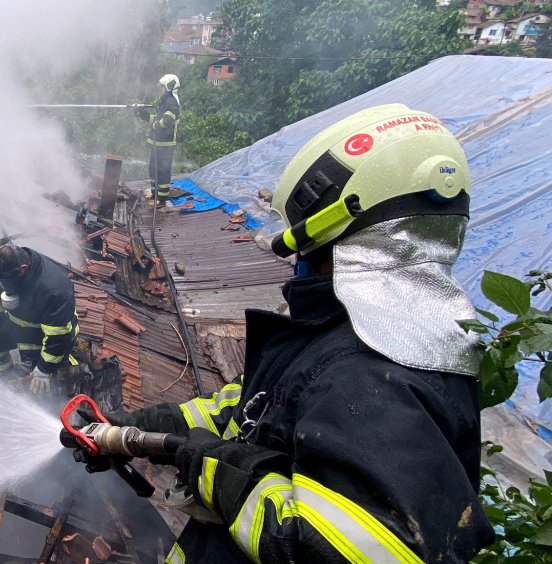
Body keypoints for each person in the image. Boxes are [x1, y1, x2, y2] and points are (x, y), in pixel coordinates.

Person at [76, 104, 495, 562]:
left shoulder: (375, 378)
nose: (295, 252)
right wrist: (136, 427)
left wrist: (217, 470)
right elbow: (256, 408)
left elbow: (328, 551)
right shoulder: (360, 331)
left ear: (332, 230)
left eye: (303, 236)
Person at [0, 244, 78, 394]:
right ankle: (3, 381)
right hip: (18, 325)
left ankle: (59, 377)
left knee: (40, 382)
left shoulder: (54, 290)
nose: (5, 286)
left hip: (47, 335)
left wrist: (44, 369)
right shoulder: (6, 269)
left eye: (8, 282)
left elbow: (58, 337)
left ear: (23, 269)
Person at [135, 74, 181, 206]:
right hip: (158, 144)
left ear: (169, 87)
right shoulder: (164, 102)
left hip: (166, 145)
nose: (159, 90)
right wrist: (141, 113)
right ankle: (155, 194)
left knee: (163, 172)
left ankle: (161, 200)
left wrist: (156, 124)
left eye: (161, 87)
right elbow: (155, 119)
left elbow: (168, 120)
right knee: (153, 169)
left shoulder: (172, 102)